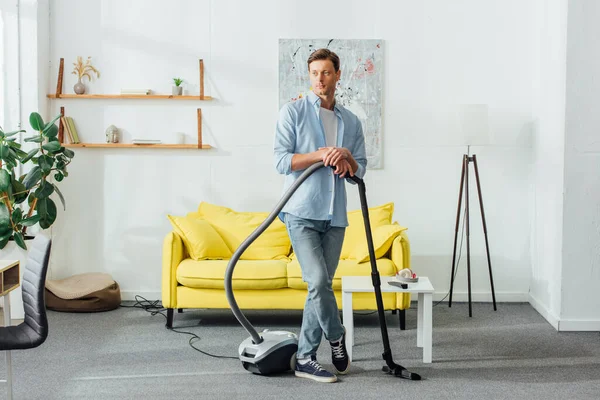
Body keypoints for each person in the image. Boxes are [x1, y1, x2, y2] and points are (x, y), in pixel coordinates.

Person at [273, 48, 367, 383]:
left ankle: (305, 358)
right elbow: (282, 161)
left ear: (337, 75)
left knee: (321, 286)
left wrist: (346, 158)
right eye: (314, 73)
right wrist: (321, 154)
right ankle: (336, 335)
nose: (319, 79)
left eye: (326, 73)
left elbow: (360, 171)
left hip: (335, 215)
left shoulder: (351, 121)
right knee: (316, 281)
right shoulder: (293, 112)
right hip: (300, 211)